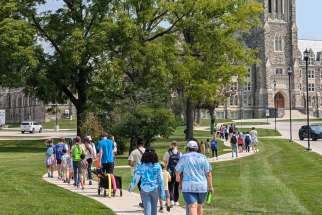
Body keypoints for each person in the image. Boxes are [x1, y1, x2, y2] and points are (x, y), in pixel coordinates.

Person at [175, 140, 213, 215]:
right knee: (199, 206)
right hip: (202, 186)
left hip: (188, 186)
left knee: (192, 206)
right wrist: (210, 186)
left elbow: (177, 171)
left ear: (188, 148)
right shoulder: (203, 157)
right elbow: (208, 173)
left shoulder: (184, 157)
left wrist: (178, 179)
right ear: (197, 148)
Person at [129, 148, 166, 215]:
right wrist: (162, 193)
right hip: (155, 189)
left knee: (147, 209)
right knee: (154, 209)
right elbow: (161, 180)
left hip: (144, 189)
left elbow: (136, 178)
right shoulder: (157, 166)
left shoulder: (140, 165)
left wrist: (131, 188)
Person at [128, 139, 146, 208]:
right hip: (146, 172)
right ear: (143, 144)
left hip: (138, 172)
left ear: (137, 144)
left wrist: (135, 163)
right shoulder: (147, 151)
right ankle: (146, 201)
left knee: (140, 188)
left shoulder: (134, 152)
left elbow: (130, 163)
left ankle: (144, 202)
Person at [163, 141, 181, 207]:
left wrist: (165, 170)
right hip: (178, 172)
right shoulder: (180, 153)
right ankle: (176, 201)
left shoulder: (167, 153)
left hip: (170, 172)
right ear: (177, 146)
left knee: (170, 186)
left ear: (171, 145)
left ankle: (172, 200)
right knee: (177, 186)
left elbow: (165, 162)